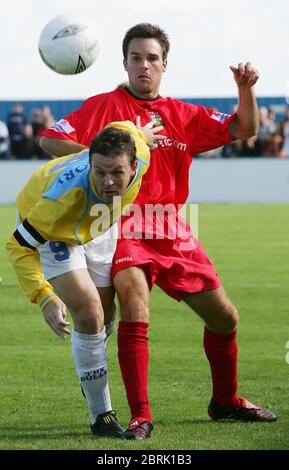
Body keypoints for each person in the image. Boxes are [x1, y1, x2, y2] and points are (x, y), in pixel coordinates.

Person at [40, 23, 277, 440]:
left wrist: (246, 88)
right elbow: (50, 140)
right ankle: (140, 416)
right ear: (125, 63)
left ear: (165, 64)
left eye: (151, 58)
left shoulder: (183, 115)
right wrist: (102, 153)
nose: (143, 65)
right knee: (135, 305)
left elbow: (244, 128)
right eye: (135, 58)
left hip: (172, 227)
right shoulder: (103, 106)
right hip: (122, 224)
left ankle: (225, 401)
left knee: (225, 319)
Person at [7, 120, 162, 439]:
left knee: (106, 315)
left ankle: (88, 369)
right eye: (99, 172)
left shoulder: (141, 152)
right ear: (89, 164)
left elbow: (127, 130)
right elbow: (18, 245)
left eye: (117, 173)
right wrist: (44, 296)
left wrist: (142, 135)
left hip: (100, 224)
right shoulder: (57, 203)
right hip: (58, 231)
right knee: (90, 315)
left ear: (135, 166)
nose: (108, 181)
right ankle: (101, 416)